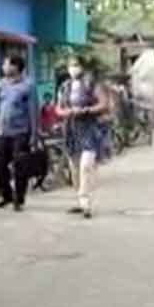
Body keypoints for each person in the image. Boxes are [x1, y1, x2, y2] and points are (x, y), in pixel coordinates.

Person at [55, 55, 111, 219]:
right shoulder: (65, 87)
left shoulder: (92, 83)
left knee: (86, 166)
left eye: (76, 65)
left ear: (83, 67)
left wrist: (86, 110)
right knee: (74, 167)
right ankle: (80, 199)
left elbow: (103, 103)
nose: (73, 68)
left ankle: (86, 202)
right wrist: (67, 112)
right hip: (71, 128)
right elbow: (58, 109)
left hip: (89, 128)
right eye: (71, 65)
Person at [0, 54, 40, 211]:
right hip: (2, 132)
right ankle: (5, 195)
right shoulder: (1, 84)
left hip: (21, 132)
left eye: (6, 64)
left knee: (20, 166)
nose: (3, 67)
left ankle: (19, 199)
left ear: (15, 67)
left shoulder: (28, 86)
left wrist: (34, 135)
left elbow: (33, 111)